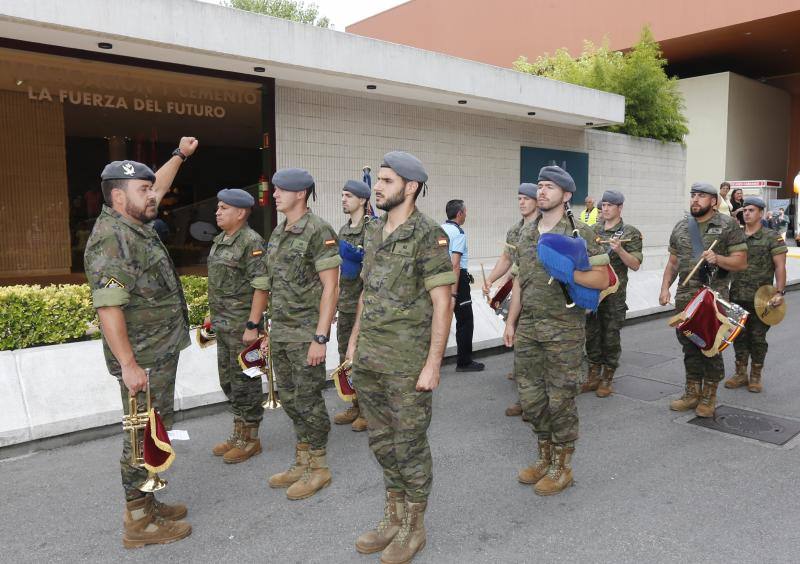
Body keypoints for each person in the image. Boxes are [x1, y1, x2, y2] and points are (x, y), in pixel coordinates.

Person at [83, 137, 198, 548]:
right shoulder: (111, 240)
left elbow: (160, 186)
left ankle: (148, 501)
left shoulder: (132, 223)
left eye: (151, 189)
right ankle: (137, 521)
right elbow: (109, 309)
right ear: (118, 196)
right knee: (139, 434)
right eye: (143, 190)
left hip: (157, 353)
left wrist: (179, 156)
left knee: (154, 427)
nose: (153, 196)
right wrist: (130, 365)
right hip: (143, 361)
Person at [346, 151, 456, 563]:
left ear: (410, 188)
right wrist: (354, 340)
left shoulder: (429, 235)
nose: (378, 186)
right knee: (380, 441)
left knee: (408, 444)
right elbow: (367, 292)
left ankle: (414, 525)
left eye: (387, 181)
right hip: (371, 358)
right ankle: (393, 514)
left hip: (408, 363)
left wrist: (433, 364)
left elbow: (442, 303)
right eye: (379, 180)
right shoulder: (374, 233)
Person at [503, 165, 610, 496]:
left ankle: (562, 466)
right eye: (540, 186)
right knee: (532, 398)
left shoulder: (580, 234)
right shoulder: (525, 233)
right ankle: (544, 457)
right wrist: (511, 321)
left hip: (564, 329)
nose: (542, 191)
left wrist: (570, 274)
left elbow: (603, 279)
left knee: (560, 399)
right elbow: (519, 279)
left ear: (566, 195)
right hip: (529, 327)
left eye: (549, 186)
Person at [264, 168, 342, 501]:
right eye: (275, 189)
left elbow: (331, 286)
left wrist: (320, 337)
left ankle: (319, 467)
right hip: (282, 331)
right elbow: (275, 286)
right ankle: (302, 459)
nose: (275, 194)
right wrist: (268, 330)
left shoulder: (318, 230)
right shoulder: (279, 232)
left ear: (301, 194)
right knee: (292, 400)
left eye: (282, 189)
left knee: (309, 401)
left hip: (306, 334)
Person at [659, 182, 747, 418]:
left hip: (713, 298)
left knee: (709, 345)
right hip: (685, 298)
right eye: (693, 195)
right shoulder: (681, 226)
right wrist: (665, 287)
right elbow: (673, 262)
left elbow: (740, 262)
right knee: (689, 344)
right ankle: (692, 392)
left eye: (702, 196)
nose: (695, 200)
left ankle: (709, 394)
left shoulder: (727, 225)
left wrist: (717, 258)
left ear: (714, 201)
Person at [208, 188, 269, 464]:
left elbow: (261, 287)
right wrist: (212, 316)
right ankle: (238, 432)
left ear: (241, 213)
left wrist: (253, 324)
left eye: (224, 208)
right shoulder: (221, 240)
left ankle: (251, 438)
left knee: (246, 380)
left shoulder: (251, 242)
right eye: (218, 207)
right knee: (228, 379)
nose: (218, 212)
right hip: (224, 325)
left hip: (244, 327)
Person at [482, 183, 538, 418]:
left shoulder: (544, 229)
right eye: (519, 198)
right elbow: (506, 258)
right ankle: (526, 400)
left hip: (540, 297)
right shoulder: (515, 231)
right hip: (518, 295)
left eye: (526, 198)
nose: (522, 202)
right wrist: (491, 280)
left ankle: (538, 402)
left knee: (539, 352)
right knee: (524, 350)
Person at [582, 190, 643, 397]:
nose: (605, 209)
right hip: (593, 292)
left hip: (614, 295)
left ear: (620, 208)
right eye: (603, 205)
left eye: (609, 205)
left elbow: (635, 264)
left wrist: (619, 251)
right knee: (591, 335)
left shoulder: (630, 233)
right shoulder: (592, 230)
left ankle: (607, 378)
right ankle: (592, 375)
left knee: (610, 337)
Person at [724, 196, 787, 392]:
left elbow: (780, 266)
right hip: (736, 297)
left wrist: (780, 292)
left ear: (760, 212)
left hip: (762, 299)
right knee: (738, 337)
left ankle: (755, 375)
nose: (747, 213)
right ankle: (740, 373)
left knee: (757, 339)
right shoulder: (736, 236)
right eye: (745, 210)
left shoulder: (771, 236)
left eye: (751, 210)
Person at [332, 179, 372, 432]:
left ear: (363, 200)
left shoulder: (373, 229)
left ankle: (369, 410)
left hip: (365, 305)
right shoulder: (343, 230)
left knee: (364, 357)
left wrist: (360, 261)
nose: (344, 199)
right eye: (343, 195)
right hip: (345, 303)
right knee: (344, 354)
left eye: (348, 195)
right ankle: (355, 404)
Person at [442, 199, 484, 372]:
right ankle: (464, 362)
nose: (466, 214)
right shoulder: (458, 233)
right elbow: (455, 264)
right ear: (459, 213)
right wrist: (454, 293)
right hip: (457, 282)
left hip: (439, 279)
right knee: (465, 321)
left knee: (438, 320)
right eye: (465, 212)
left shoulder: (439, 229)